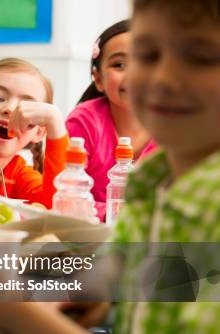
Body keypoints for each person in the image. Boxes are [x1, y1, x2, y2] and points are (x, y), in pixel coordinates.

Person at [0, 0, 220, 334]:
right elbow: (131, 268)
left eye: (200, 58)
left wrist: (23, 316)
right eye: (149, 54)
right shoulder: (154, 183)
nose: (163, 76)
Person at [66, 19, 156, 219]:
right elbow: (66, 197)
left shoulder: (177, 128)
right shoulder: (83, 122)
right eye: (119, 65)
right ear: (98, 79)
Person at [0, 58, 69, 208]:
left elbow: (57, 205)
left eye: (27, 107)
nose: (10, 109)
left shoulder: (18, 172)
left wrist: (55, 122)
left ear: (38, 132)